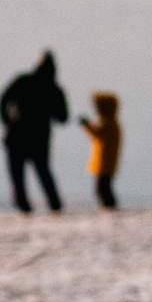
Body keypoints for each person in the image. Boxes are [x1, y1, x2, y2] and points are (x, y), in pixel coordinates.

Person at [3, 50, 70, 214]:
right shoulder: (54, 89)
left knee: (18, 175)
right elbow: (63, 117)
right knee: (43, 171)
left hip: (17, 135)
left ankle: (24, 206)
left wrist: (7, 120)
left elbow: (3, 100)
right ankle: (54, 204)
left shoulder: (23, 81)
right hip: (39, 138)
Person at [79, 89, 123, 211]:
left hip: (105, 163)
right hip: (106, 163)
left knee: (102, 189)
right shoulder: (111, 122)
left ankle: (109, 208)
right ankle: (109, 207)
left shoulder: (108, 123)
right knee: (104, 188)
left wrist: (86, 125)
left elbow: (97, 134)